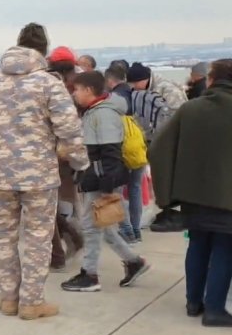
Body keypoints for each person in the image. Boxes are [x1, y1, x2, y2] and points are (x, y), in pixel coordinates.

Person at [0, 23, 89, 320]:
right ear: (43, 50)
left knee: (4, 237)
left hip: (0, 173)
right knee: (38, 239)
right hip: (39, 176)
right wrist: (81, 163)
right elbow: (69, 129)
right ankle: (31, 302)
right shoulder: (49, 83)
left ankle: (8, 298)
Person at [149, 59, 232, 326]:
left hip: (193, 195)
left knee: (198, 245)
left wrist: (168, 192)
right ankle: (214, 310)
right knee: (224, 250)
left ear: (212, 80)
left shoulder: (190, 109)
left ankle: (193, 302)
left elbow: (158, 148)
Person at [60, 71, 150, 293]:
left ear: (89, 90)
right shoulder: (98, 111)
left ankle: (89, 275)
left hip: (101, 179)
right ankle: (133, 261)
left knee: (91, 227)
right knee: (103, 225)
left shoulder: (103, 114)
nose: (75, 95)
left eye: (77, 90)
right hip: (98, 177)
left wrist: (106, 186)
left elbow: (110, 153)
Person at [126, 62, 187, 232]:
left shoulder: (167, 89)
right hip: (154, 140)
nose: (132, 87)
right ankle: (166, 209)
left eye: (133, 83)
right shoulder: (142, 91)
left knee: (171, 177)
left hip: (171, 141)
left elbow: (179, 115)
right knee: (161, 178)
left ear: (143, 79)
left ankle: (175, 212)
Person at [45, 46, 85, 271]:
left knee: (41, 205)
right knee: (48, 204)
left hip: (49, 153)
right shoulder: (77, 85)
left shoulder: (50, 84)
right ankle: (69, 236)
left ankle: (61, 249)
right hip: (67, 152)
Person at [105, 65, 144, 244]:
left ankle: (126, 230)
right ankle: (136, 229)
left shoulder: (114, 98)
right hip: (138, 147)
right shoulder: (137, 94)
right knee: (135, 189)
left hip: (122, 149)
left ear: (110, 80)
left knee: (118, 191)